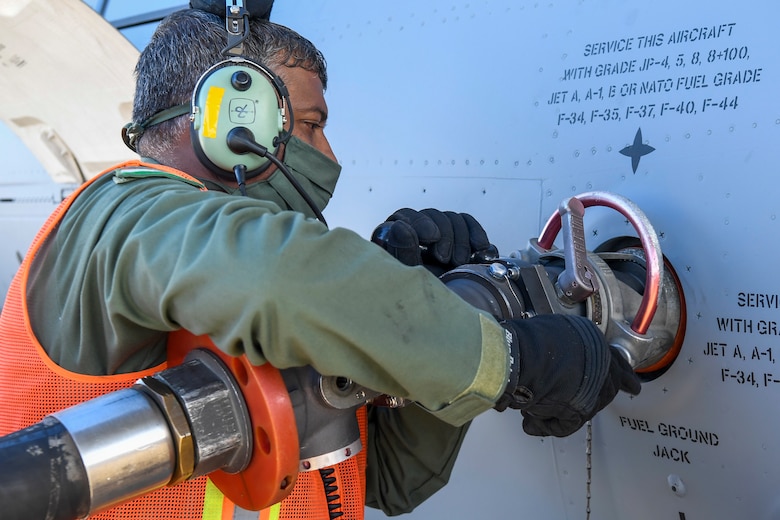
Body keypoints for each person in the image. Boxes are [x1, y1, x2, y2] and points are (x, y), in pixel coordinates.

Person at [0, 7, 640, 520]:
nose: (327, 151)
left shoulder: (233, 271)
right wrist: (510, 360)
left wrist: (430, 295)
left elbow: (385, 484)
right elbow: (274, 277)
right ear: (230, 123)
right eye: (309, 125)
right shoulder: (123, 218)